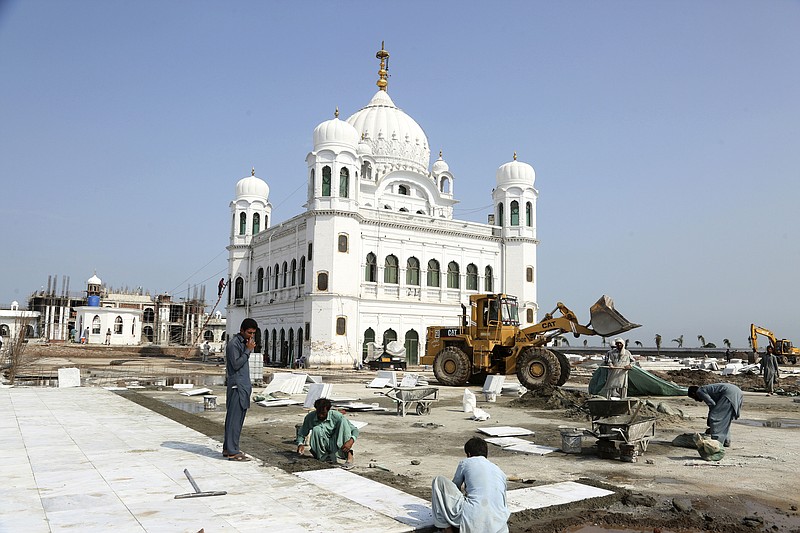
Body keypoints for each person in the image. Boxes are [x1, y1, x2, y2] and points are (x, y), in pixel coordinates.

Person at [431, 437, 510, 533]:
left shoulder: (465, 463)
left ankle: (445, 528)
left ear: (469, 454)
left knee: (438, 481)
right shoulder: (499, 471)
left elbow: (455, 487)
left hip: (473, 520)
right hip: (499, 525)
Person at [223, 318, 257, 461]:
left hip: (242, 386)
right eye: (249, 333)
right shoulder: (233, 345)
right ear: (242, 330)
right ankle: (232, 451)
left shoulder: (242, 343)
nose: (251, 336)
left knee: (236, 418)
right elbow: (236, 365)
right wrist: (248, 351)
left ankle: (228, 448)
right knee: (234, 420)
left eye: (253, 334)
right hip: (237, 385)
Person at [296, 397, 358, 469]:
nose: (320, 416)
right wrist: (300, 444)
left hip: (337, 442)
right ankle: (324, 457)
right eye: (319, 413)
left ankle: (349, 457)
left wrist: (351, 441)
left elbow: (355, 430)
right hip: (323, 445)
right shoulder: (310, 417)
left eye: (323, 413)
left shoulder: (337, 416)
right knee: (316, 429)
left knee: (343, 423)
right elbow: (302, 432)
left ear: (328, 410)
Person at [687, 383, 743, 448]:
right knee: (725, 420)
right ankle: (726, 441)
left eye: (694, 398)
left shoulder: (700, 391)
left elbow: (711, 404)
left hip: (728, 394)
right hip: (737, 392)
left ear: (694, 393)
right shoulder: (707, 389)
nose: (696, 400)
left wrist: (711, 423)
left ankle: (716, 444)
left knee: (716, 418)